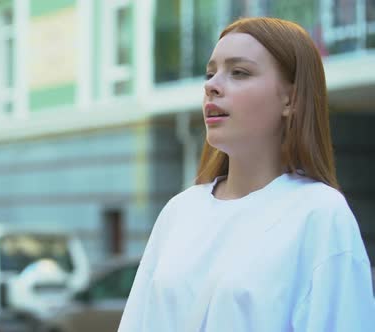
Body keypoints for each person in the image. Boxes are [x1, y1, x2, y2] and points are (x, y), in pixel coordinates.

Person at [118, 17, 375, 332]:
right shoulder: (180, 211)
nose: (211, 85)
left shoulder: (319, 214)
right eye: (210, 73)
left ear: (291, 99)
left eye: (239, 72)